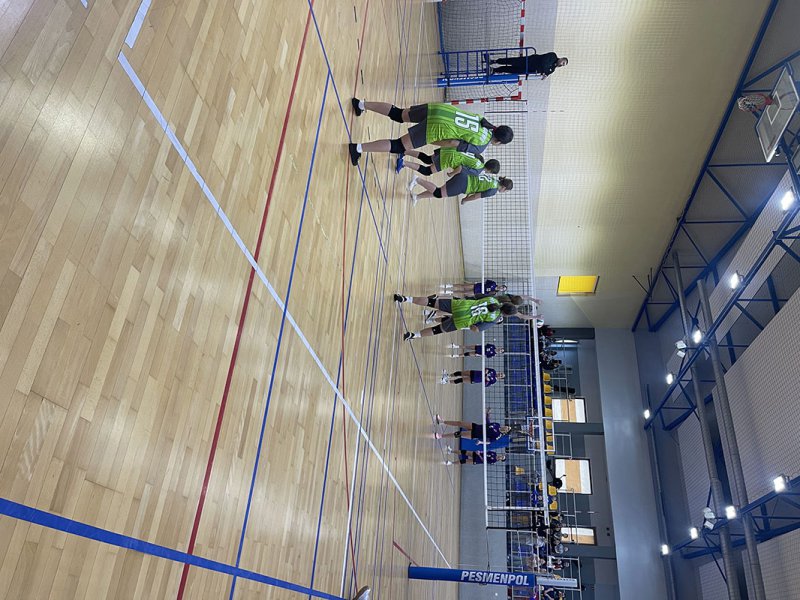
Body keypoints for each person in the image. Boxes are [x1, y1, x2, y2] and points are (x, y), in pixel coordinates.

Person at [348, 101, 513, 165]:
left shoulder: (484, 121)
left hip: (441, 109)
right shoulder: (481, 146)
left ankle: (361, 104)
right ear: (498, 142)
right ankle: (357, 148)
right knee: (399, 146)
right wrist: (431, 140)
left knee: (398, 114)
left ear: (498, 127)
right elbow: (452, 143)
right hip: (439, 126)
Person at [393, 294, 521, 340]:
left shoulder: (492, 299)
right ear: (506, 315)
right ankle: (413, 335)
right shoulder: (494, 319)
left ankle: (405, 298)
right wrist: (471, 325)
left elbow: (475, 296)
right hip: (463, 320)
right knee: (437, 330)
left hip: (462, 306)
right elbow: (475, 329)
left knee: (431, 302)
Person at [409, 171, 513, 205]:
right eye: (506, 191)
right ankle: (417, 180)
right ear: (504, 188)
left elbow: (477, 185)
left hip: (463, 177)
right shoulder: (493, 190)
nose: (504, 192)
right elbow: (476, 196)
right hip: (462, 184)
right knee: (439, 193)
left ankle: (417, 197)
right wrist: (465, 200)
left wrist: (468, 195)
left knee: (440, 192)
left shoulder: (493, 180)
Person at [397, 148, 499, 176]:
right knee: (427, 171)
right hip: (450, 158)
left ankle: (404, 151)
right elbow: (460, 168)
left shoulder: (479, 159)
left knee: (427, 159)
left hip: (451, 150)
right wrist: (452, 174)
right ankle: (403, 163)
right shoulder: (478, 170)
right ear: (490, 170)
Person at [434, 414, 511, 443]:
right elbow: (488, 424)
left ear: (505, 432)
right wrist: (487, 416)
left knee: (458, 434)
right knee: (459, 423)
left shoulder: (497, 436)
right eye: (507, 426)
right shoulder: (497, 425)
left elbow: (489, 441)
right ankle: (442, 422)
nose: (506, 427)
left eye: (507, 429)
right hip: (476, 427)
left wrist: (480, 442)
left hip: (476, 434)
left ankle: (441, 436)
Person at [490, 52, 568, 79]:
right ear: (561, 58)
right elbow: (544, 62)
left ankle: (495, 70)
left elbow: (546, 74)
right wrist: (545, 71)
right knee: (513, 61)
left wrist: (545, 75)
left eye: (563, 65)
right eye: (563, 62)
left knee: (512, 70)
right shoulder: (553, 56)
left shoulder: (552, 69)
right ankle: (495, 61)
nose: (562, 64)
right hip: (530, 61)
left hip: (530, 70)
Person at [440, 368, 505, 386]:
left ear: (500, 378)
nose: (500, 375)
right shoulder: (493, 371)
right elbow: (485, 368)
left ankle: (446, 382)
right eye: (501, 374)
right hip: (476, 372)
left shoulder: (494, 381)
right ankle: (448, 376)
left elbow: (486, 385)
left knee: (461, 380)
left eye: (501, 376)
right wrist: (486, 370)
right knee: (461, 373)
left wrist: (487, 380)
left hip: (476, 379)